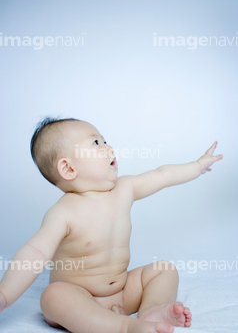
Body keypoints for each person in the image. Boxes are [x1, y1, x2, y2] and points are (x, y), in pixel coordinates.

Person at [0, 118, 223, 333]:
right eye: (96, 143)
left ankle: (151, 309)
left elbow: (163, 175)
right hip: (82, 299)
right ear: (68, 169)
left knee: (164, 269)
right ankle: (125, 327)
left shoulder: (125, 189)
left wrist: (197, 166)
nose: (109, 147)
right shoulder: (63, 213)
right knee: (53, 296)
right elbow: (35, 253)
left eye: (104, 140)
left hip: (123, 293)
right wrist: (4, 294)